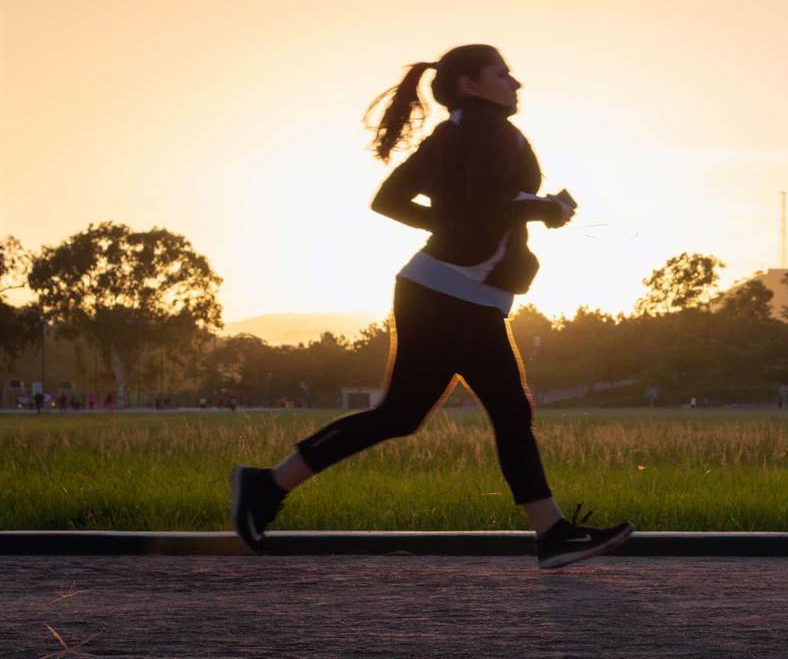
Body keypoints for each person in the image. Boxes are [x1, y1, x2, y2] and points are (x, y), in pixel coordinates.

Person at [230, 45, 634, 569]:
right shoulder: (484, 132)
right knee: (503, 411)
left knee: (407, 415)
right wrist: (545, 209)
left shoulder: (456, 133)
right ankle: (552, 534)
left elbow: (394, 201)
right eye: (502, 73)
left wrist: (459, 229)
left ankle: (266, 485)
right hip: (450, 296)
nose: (516, 83)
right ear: (470, 83)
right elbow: (477, 205)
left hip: (447, 291)